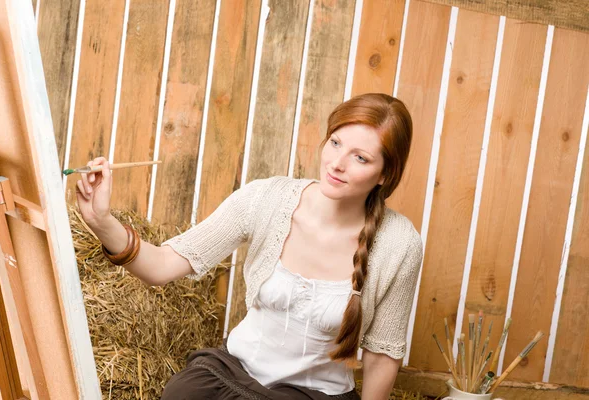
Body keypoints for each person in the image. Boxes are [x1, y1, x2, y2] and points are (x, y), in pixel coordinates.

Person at [75, 93, 423, 400]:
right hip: (233, 375)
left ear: (384, 175)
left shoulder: (399, 243)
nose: (337, 163)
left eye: (360, 157)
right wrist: (103, 222)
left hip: (313, 395)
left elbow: (382, 355)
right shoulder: (265, 198)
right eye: (335, 143)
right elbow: (162, 266)